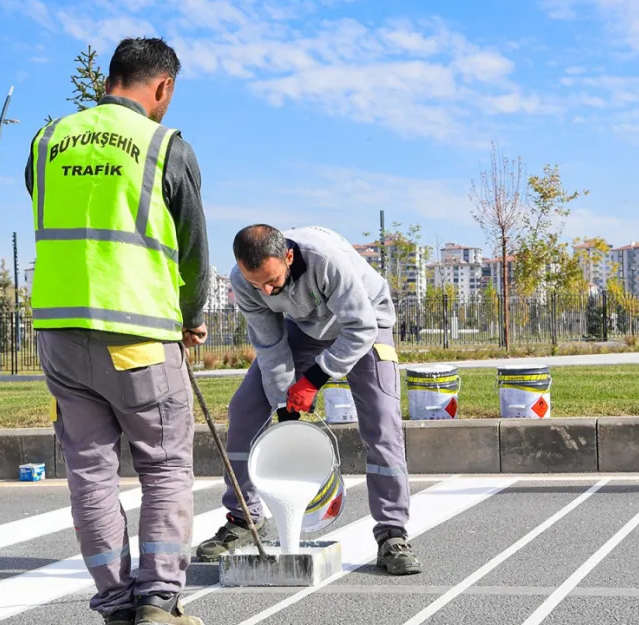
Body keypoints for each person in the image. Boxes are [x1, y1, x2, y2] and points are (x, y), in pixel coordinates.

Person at [23, 36, 209, 625]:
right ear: (163, 88)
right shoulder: (165, 146)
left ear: (110, 79)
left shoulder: (47, 141)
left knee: (90, 471)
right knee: (165, 466)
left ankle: (114, 605)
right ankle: (157, 602)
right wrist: (191, 317)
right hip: (138, 335)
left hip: (59, 333)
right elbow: (193, 250)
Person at [195, 224, 421, 576]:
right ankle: (245, 518)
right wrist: (286, 406)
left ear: (288, 256)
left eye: (271, 280)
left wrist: (314, 378)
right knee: (244, 410)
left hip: (367, 321)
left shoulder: (324, 259)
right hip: (306, 328)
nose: (266, 290)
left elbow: (359, 328)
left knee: (382, 422)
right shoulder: (245, 282)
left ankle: (392, 533)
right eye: (257, 284)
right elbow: (270, 347)